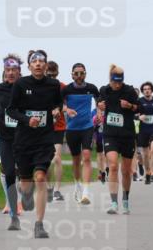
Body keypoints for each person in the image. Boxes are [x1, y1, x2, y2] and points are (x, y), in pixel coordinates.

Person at [5, 49, 63, 239]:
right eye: (34, 61)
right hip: (24, 140)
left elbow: (58, 104)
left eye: (41, 61)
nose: (38, 64)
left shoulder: (53, 85)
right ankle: (26, 195)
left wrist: (56, 110)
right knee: (26, 183)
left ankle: (39, 224)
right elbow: (11, 110)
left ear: (46, 65)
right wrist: (26, 120)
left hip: (45, 139)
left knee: (40, 177)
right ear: (29, 66)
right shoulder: (21, 84)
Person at [0, 56, 23, 229]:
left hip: (25, 137)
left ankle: (25, 197)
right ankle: (14, 213)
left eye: (13, 70)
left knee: (24, 172)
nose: (10, 73)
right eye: (7, 71)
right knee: (9, 173)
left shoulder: (26, 88)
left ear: (19, 72)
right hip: (6, 137)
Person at [98, 65, 139, 214]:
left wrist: (130, 105)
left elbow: (138, 108)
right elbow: (99, 104)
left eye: (120, 81)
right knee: (113, 165)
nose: (118, 84)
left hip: (127, 134)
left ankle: (125, 200)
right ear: (110, 79)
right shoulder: (104, 90)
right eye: (115, 81)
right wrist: (100, 106)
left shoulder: (129, 91)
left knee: (126, 171)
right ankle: (114, 203)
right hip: (110, 134)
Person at [61, 63, 100, 204]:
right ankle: (77, 184)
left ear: (85, 74)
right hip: (72, 129)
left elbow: (99, 101)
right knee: (76, 160)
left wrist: (100, 112)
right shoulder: (66, 90)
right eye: (76, 73)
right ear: (72, 74)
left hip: (87, 127)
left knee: (87, 156)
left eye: (81, 73)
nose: (79, 76)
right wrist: (67, 110)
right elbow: (60, 105)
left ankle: (86, 192)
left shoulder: (92, 88)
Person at [44, 61, 67, 202]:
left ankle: (57, 190)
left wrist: (63, 109)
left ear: (57, 74)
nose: (51, 77)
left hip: (58, 126)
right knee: (46, 160)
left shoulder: (62, 87)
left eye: (53, 75)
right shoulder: (40, 86)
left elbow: (66, 104)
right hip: (44, 126)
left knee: (57, 158)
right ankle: (48, 188)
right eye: (49, 75)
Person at [136, 81, 153, 184]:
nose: (147, 91)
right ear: (143, 91)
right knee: (145, 154)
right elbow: (133, 114)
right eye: (145, 89)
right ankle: (147, 172)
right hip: (143, 129)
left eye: (148, 89)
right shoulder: (139, 101)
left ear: (151, 90)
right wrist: (139, 117)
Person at [94, 101, 107, 184]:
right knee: (99, 154)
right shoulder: (93, 112)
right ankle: (100, 171)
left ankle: (105, 170)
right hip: (98, 135)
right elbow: (92, 123)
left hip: (108, 135)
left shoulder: (108, 111)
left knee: (105, 154)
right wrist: (96, 120)